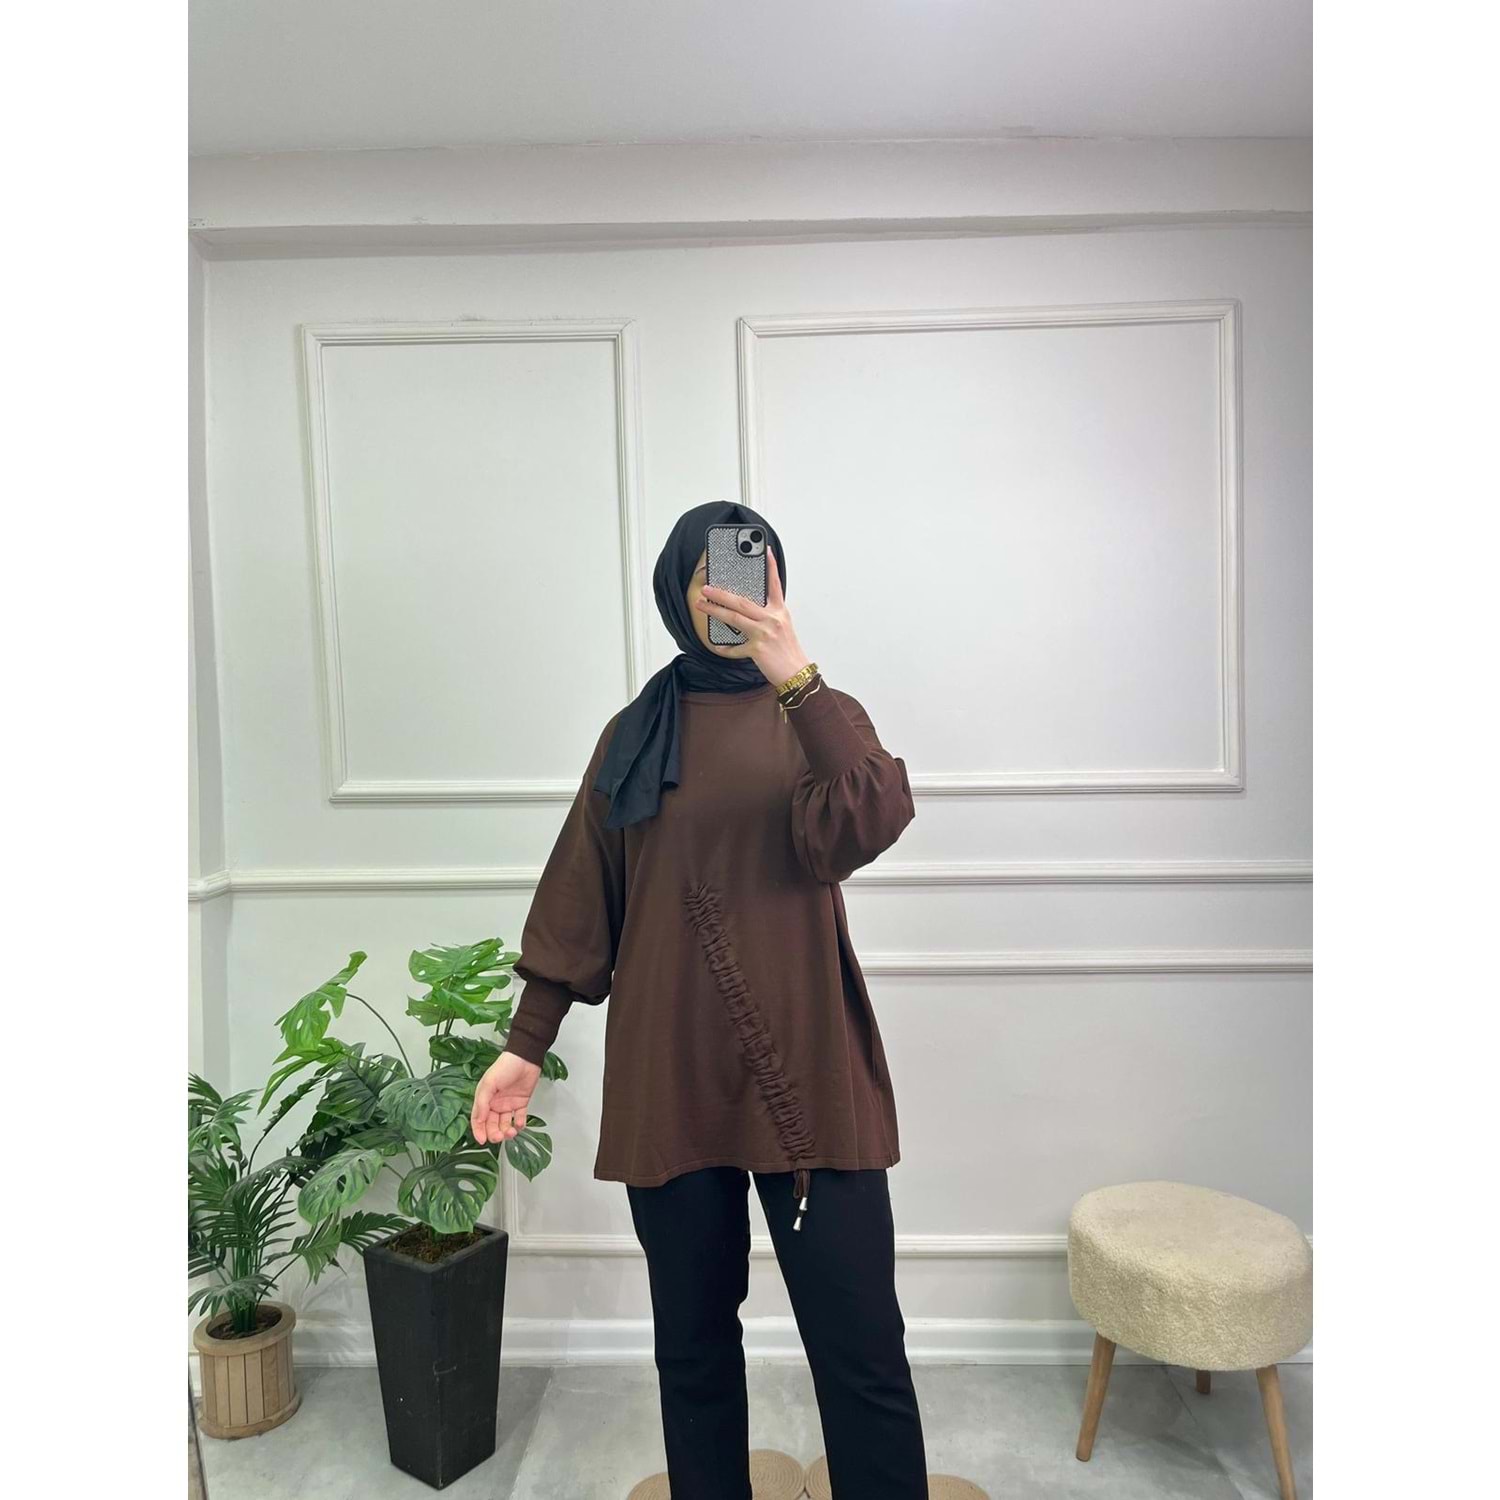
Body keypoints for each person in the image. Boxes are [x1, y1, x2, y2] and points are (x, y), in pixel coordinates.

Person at [470, 500, 928, 1498]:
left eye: (754, 573)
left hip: (808, 1077)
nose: (732, 595)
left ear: (778, 584)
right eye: (712, 576)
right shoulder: (636, 735)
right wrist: (526, 1043)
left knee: (861, 1349)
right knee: (693, 1350)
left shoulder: (818, 717)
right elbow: (583, 894)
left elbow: (871, 815)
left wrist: (796, 676)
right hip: (671, 1076)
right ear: (678, 593)